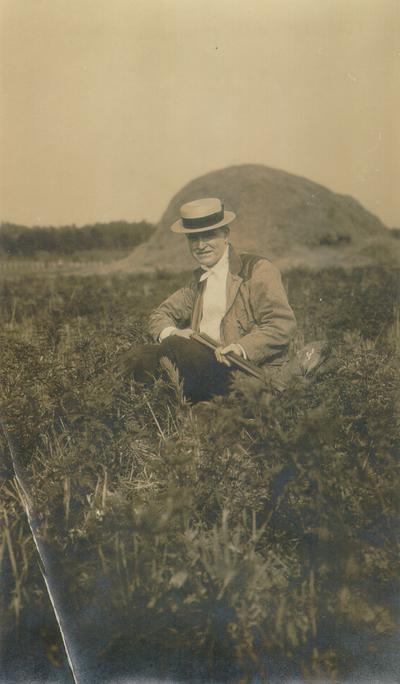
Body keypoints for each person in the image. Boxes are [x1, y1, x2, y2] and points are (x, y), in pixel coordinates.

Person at [120, 197, 297, 402]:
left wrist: (241, 348)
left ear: (225, 235)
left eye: (208, 235)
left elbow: (281, 324)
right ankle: (142, 412)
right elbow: (160, 314)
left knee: (177, 348)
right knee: (139, 354)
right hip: (200, 363)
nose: (200, 245)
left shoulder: (256, 270)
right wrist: (173, 332)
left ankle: (196, 410)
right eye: (193, 238)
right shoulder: (198, 283)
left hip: (243, 369)